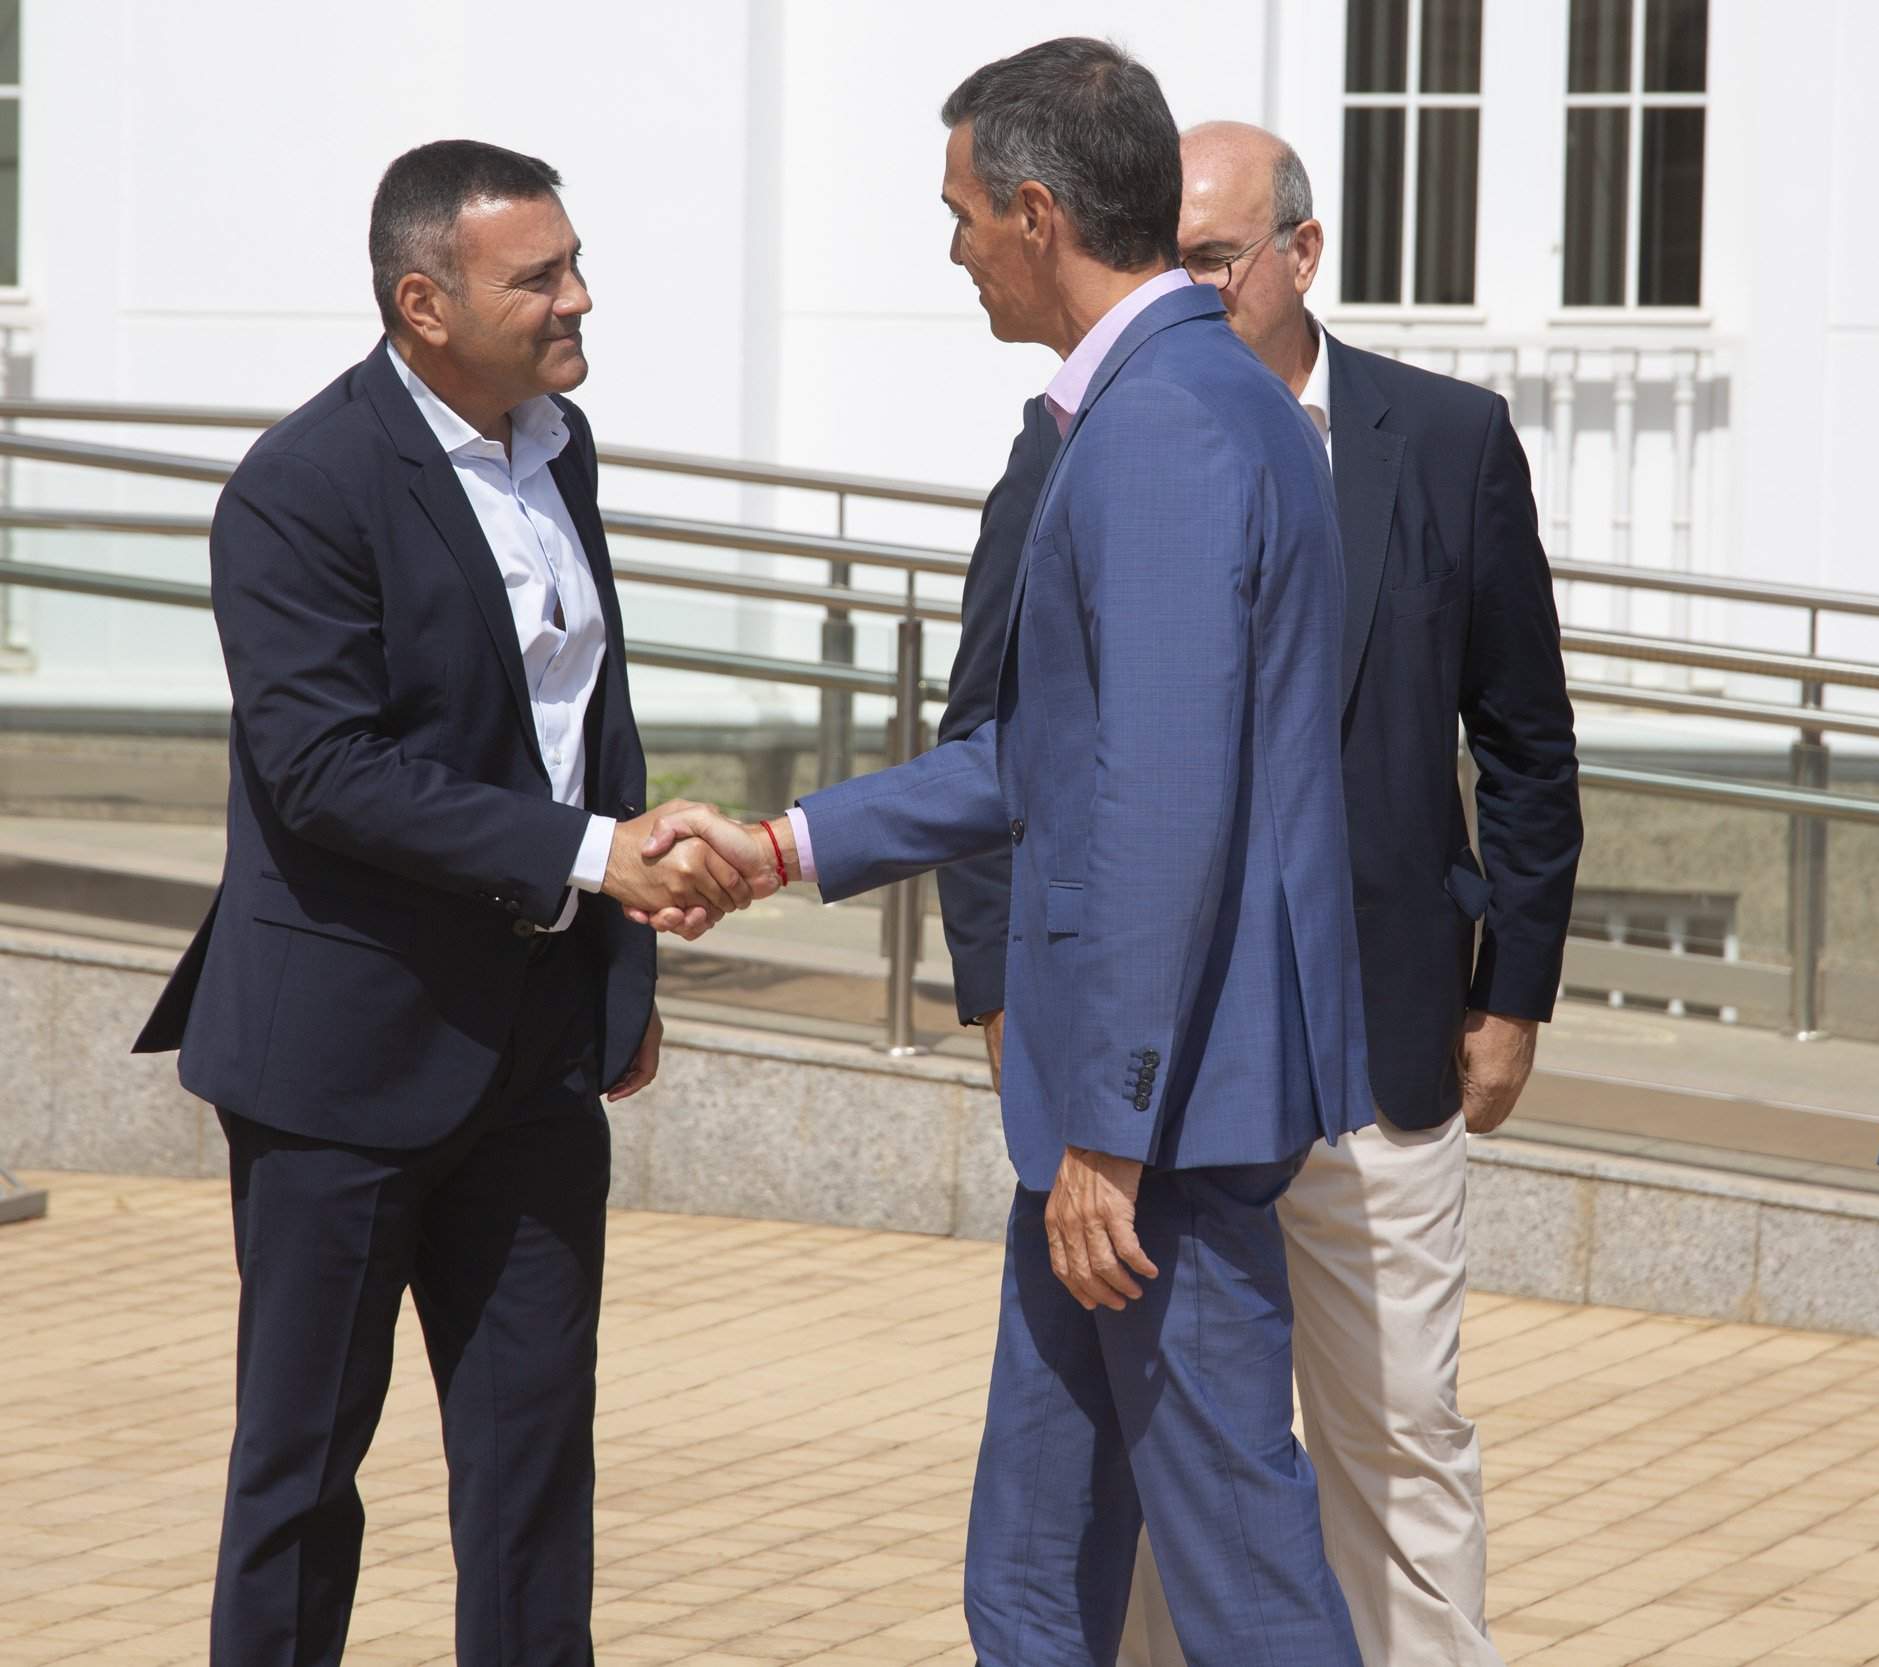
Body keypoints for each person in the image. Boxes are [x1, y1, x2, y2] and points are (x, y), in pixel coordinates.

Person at [640, 40, 1370, 1666]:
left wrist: (1109, 1129)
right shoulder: (1181, 404)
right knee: (1035, 1566)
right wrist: (778, 845)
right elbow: (1045, 756)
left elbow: (1166, 808)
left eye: (963, 211)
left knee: (1240, 1570)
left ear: (1038, 214)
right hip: (1119, 1114)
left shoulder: (1167, 425)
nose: (954, 245)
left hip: (1151, 1126)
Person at [936, 121, 1581, 1667]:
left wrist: (1516, 990)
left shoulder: (1441, 438)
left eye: (1220, 256)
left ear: (1305, 253)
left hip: (1379, 1044)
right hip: (1158, 1086)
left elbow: (1524, 736)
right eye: (1178, 252)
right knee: (1172, 1472)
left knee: (1395, 1443)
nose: (1194, 285)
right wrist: (1005, 994)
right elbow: (1001, 727)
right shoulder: (1078, 430)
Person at [132, 140, 754, 1667]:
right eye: (535, 277)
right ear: (425, 301)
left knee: (536, 1476)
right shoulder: (301, 489)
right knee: (300, 1482)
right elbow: (326, 772)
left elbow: (574, 717)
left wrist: (621, 950)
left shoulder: (559, 445)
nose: (576, 298)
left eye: (572, 261)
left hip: (536, 1054)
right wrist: (600, 857)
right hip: (342, 1063)